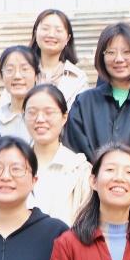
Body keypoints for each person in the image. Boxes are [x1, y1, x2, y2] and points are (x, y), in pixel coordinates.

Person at [65, 23, 130, 159]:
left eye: (126, 52)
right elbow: (75, 149)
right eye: (111, 52)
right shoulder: (84, 103)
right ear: (101, 56)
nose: (119, 59)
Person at [23, 83, 92, 225]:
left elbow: (87, 224)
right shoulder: (12, 166)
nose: (40, 119)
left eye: (49, 113)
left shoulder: (80, 169)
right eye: (32, 112)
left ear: (64, 117)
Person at [0, 9, 89, 108]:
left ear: (68, 38)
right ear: (35, 33)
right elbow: (6, 108)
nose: (51, 35)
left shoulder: (78, 77)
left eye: (58, 30)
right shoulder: (19, 72)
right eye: (45, 29)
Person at [0, 45, 39, 143]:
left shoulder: (45, 119)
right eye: (10, 70)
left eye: (25, 69)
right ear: (1, 75)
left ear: (37, 75)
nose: (17, 76)